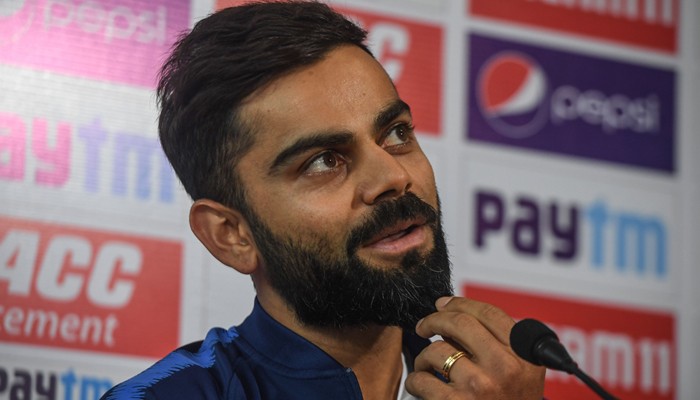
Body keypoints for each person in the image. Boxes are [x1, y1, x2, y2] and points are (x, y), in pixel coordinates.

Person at [101, 1, 545, 399]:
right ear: (231, 235)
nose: (394, 177)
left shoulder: (497, 389)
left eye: (396, 134)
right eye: (324, 161)